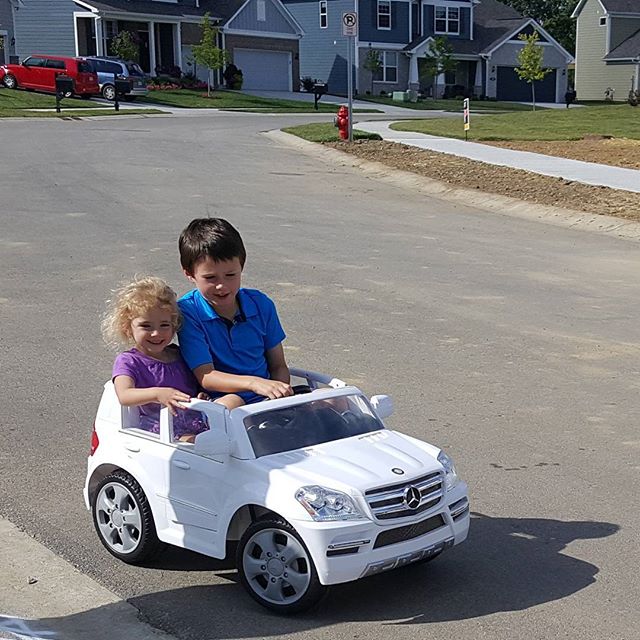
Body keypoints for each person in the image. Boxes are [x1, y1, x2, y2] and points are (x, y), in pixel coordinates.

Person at [177, 218, 293, 408]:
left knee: (329, 398)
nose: (222, 285)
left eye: (231, 275)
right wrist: (254, 383)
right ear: (190, 274)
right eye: (210, 278)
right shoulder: (188, 312)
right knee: (234, 402)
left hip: (266, 398)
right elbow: (206, 376)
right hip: (223, 401)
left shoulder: (261, 304)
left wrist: (279, 396)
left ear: (241, 267)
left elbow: (278, 366)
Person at [102, 276, 210, 442]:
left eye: (164, 325)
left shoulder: (179, 354)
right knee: (205, 445)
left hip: (194, 421)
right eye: (146, 326)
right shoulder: (129, 361)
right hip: (161, 430)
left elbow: (191, 388)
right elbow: (124, 395)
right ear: (127, 327)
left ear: (174, 325)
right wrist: (158, 394)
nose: (156, 333)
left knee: (232, 415)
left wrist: (200, 396)